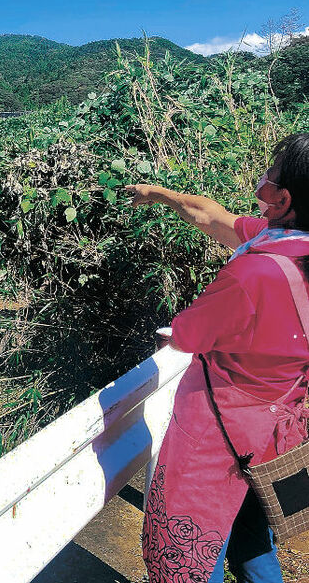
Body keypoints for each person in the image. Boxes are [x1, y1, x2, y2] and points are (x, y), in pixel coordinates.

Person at [126, 132, 309, 583]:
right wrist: (159, 194)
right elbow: (213, 216)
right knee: (252, 534)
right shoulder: (286, 242)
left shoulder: (256, 272)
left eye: (269, 177)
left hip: (221, 435)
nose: (259, 186)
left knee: (192, 549)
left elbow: (188, 334)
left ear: (283, 198)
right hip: (282, 429)